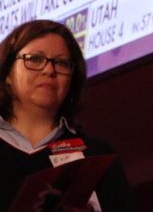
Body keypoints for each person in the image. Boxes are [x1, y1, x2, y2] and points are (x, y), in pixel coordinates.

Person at [0, 19, 132, 210]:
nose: (49, 70)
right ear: (7, 74)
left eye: (61, 63)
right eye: (35, 59)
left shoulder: (96, 156)